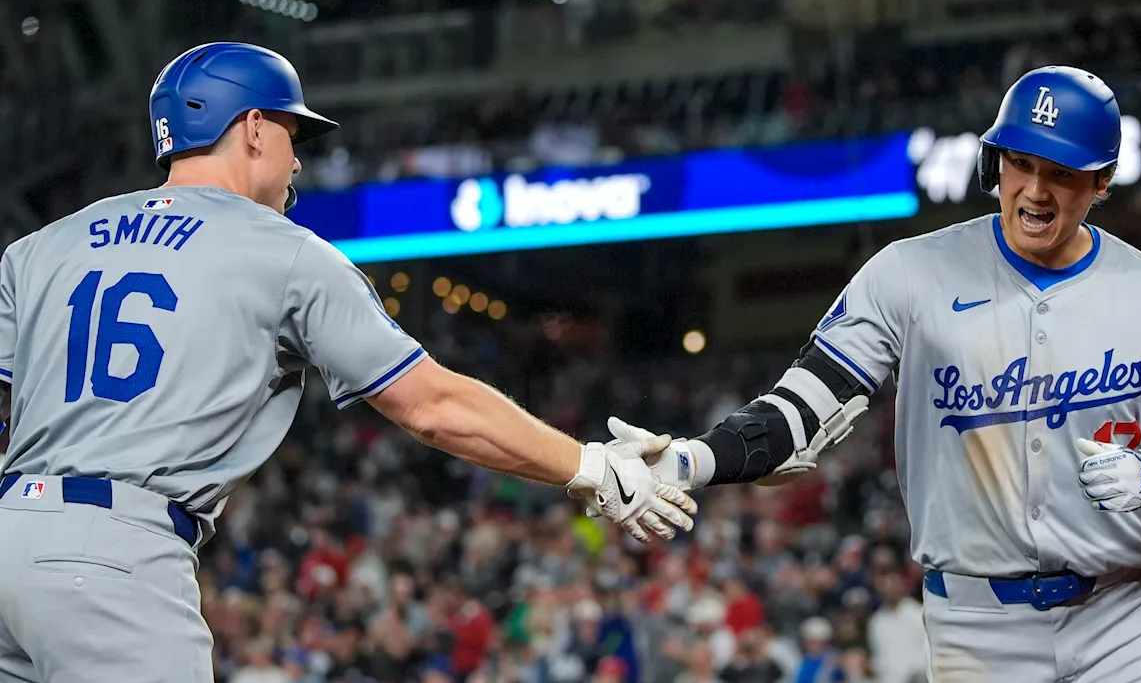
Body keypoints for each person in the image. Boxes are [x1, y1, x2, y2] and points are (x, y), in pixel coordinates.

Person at [0, 41, 694, 683]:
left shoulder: (39, 249)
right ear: (250, 127)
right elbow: (433, 406)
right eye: (291, 134)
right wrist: (591, 466)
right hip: (115, 557)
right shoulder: (286, 251)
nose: (297, 159)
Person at [591, 66, 1141, 681]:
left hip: (1126, 621)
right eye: (1019, 163)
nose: (1033, 190)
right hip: (979, 630)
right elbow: (803, 406)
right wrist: (690, 459)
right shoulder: (909, 273)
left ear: (1101, 180)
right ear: (993, 162)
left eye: (1061, 173)